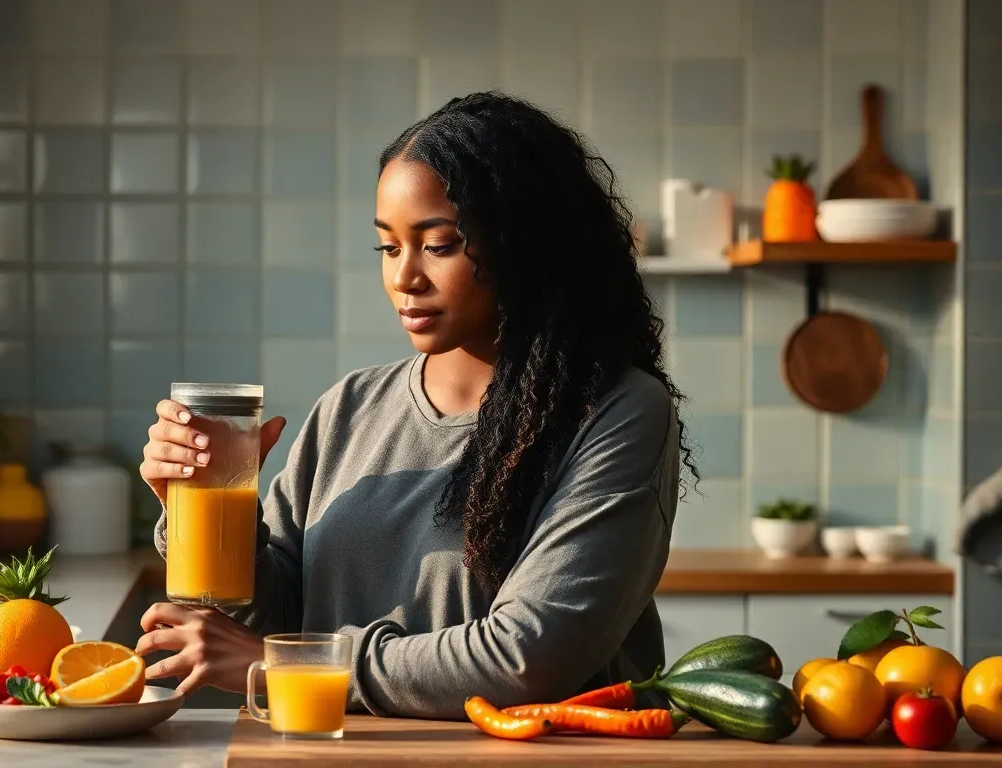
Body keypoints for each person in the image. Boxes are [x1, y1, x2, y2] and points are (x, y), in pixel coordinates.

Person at [135, 91, 697, 720]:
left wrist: (281, 666)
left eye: (439, 244)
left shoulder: (616, 412)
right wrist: (204, 503)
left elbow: (529, 657)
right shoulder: (349, 408)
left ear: (528, 242)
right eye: (389, 247)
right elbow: (283, 616)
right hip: (330, 758)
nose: (405, 277)